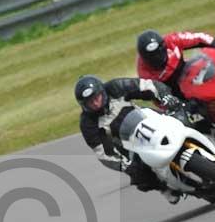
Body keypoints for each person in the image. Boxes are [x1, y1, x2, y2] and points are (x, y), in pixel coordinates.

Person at [75, 75, 185, 204]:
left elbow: (148, 86)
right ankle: (164, 189)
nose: (95, 103)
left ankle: (209, 136)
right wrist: (125, 165)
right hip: (130, 144)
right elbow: (103, 153)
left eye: (96, 98)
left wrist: (165, 96)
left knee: (181, 116)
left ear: (102, 91)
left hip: (146, 119)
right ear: (84, 105)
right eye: (90, 102)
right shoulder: (88, 124)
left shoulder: (116, 87)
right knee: (139, 174)